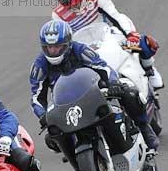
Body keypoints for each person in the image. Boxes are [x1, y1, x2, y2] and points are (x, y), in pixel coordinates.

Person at [30, 19, 159, 151]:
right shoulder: (40, 65)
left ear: (68, 44)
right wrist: (43, 115)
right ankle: (75, 156)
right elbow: (36, 96)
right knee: (52, 137)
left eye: (57, 46)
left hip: (93, 91)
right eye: (49, 47)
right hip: (64, 103)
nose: (53, 51)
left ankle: (144, 128)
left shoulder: (80, 50)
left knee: (129, 92)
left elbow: (104, 67)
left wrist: (113, 83)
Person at [50, 0, 163, 90]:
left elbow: (117, 17)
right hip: (84, 49)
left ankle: (150, 70)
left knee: (145, 43)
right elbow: (64, 40)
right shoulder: (58, 15)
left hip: (110, 39)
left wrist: (130, 35)